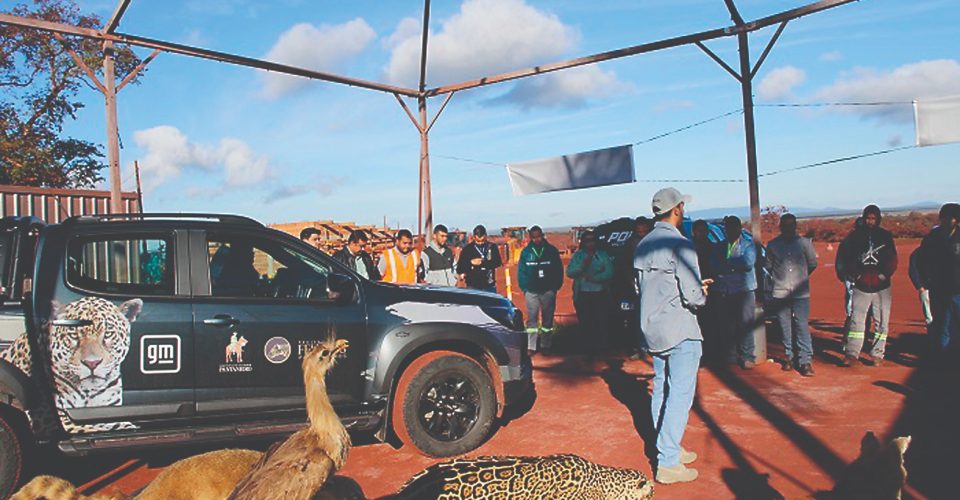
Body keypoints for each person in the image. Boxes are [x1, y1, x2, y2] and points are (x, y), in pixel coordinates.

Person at [634, 187, 709, 484]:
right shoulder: (681, 245)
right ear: (677, 209)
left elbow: (640, 288)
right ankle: (667, 461)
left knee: (662, 389)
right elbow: (693, 297)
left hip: (652, 328)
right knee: (679, 394)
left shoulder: (642, 245)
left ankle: (668, 446)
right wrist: (702, 291)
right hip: (680, 329)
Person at [837, 205, 898, 367]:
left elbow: (892, 259)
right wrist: (856, 275)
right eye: (868, 218)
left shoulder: (885, 236)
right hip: (861, 285)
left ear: (878, 219)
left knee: (882, 321)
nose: (870, 221)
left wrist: (884, 275)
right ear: (863, 218)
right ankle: (852, 353)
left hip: (882, 286)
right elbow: (848, 258)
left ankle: (877, 354)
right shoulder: (855, 237)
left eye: (873, 218)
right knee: (857, 320)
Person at [765, 214, 818, 376]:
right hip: (780, 291)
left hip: (800, 292)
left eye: (791, 225)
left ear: (795, 226)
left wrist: (800, 278)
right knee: (784, 325)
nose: (788, 229)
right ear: (781, 227)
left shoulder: (804, 244)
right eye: (785, 225)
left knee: (801, 324)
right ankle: (788, 356)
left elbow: (812, 263)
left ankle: (805, 360)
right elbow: (768, 265)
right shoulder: (773, 245)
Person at [711, 216, 759, 369]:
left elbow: (748, 263)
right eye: (728, 228)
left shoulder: (749, 245)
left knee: (745, 323)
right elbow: (713, 265)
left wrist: (727, 264)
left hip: (744, 291)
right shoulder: (719, 246)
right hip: (724, 290)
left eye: (733, 227)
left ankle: (747, 356)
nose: (730, 231)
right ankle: (730, 355)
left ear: (739, 229)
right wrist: (733, 265)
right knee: (727, 325)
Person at [915, 203, 960, 361]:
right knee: (942, 324)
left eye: (952, 218)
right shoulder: (932, 238)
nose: (948, 221)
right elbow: (919, 260)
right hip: (939, 290)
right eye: (945, 217)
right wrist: (924, 280)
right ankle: (943, 357)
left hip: (958, 290)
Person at [517, 226, 564, 355]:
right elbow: (521, 272)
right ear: (530, 238)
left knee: (547, 320)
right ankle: (531, 346)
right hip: (531, 292)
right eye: (534, 237)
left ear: (542, 235)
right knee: (531, 319)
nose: (537, 239)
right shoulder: (526, 252)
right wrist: (525, 288)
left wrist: (555, 287)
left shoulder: (551, 251)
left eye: (539, 236)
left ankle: (546, 344)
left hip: (548, 290)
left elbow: (558, 270)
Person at [567, 230, 614, 353]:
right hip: (582, 294)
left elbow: (609, 272)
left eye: (592, 240)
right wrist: (583, 266)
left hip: (600, 293)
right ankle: (588, 348)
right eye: (587, 240)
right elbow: (570, 272)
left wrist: (595, 278)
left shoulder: (602, 255)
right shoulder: (578, 256)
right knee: (585, 322)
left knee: (601, 321)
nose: (590, 243)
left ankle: (602, 348)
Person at [456, 225, 502, 293]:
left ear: (486, 236)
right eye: (478, 241)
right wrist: (471, 263)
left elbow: (497, 262)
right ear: (474, 237)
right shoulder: (467, 249)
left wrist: (483, 263)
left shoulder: (492, 247)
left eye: (482, 241)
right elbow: (460, 268)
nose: (480, 243)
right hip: (473, 286)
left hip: (489, 286)